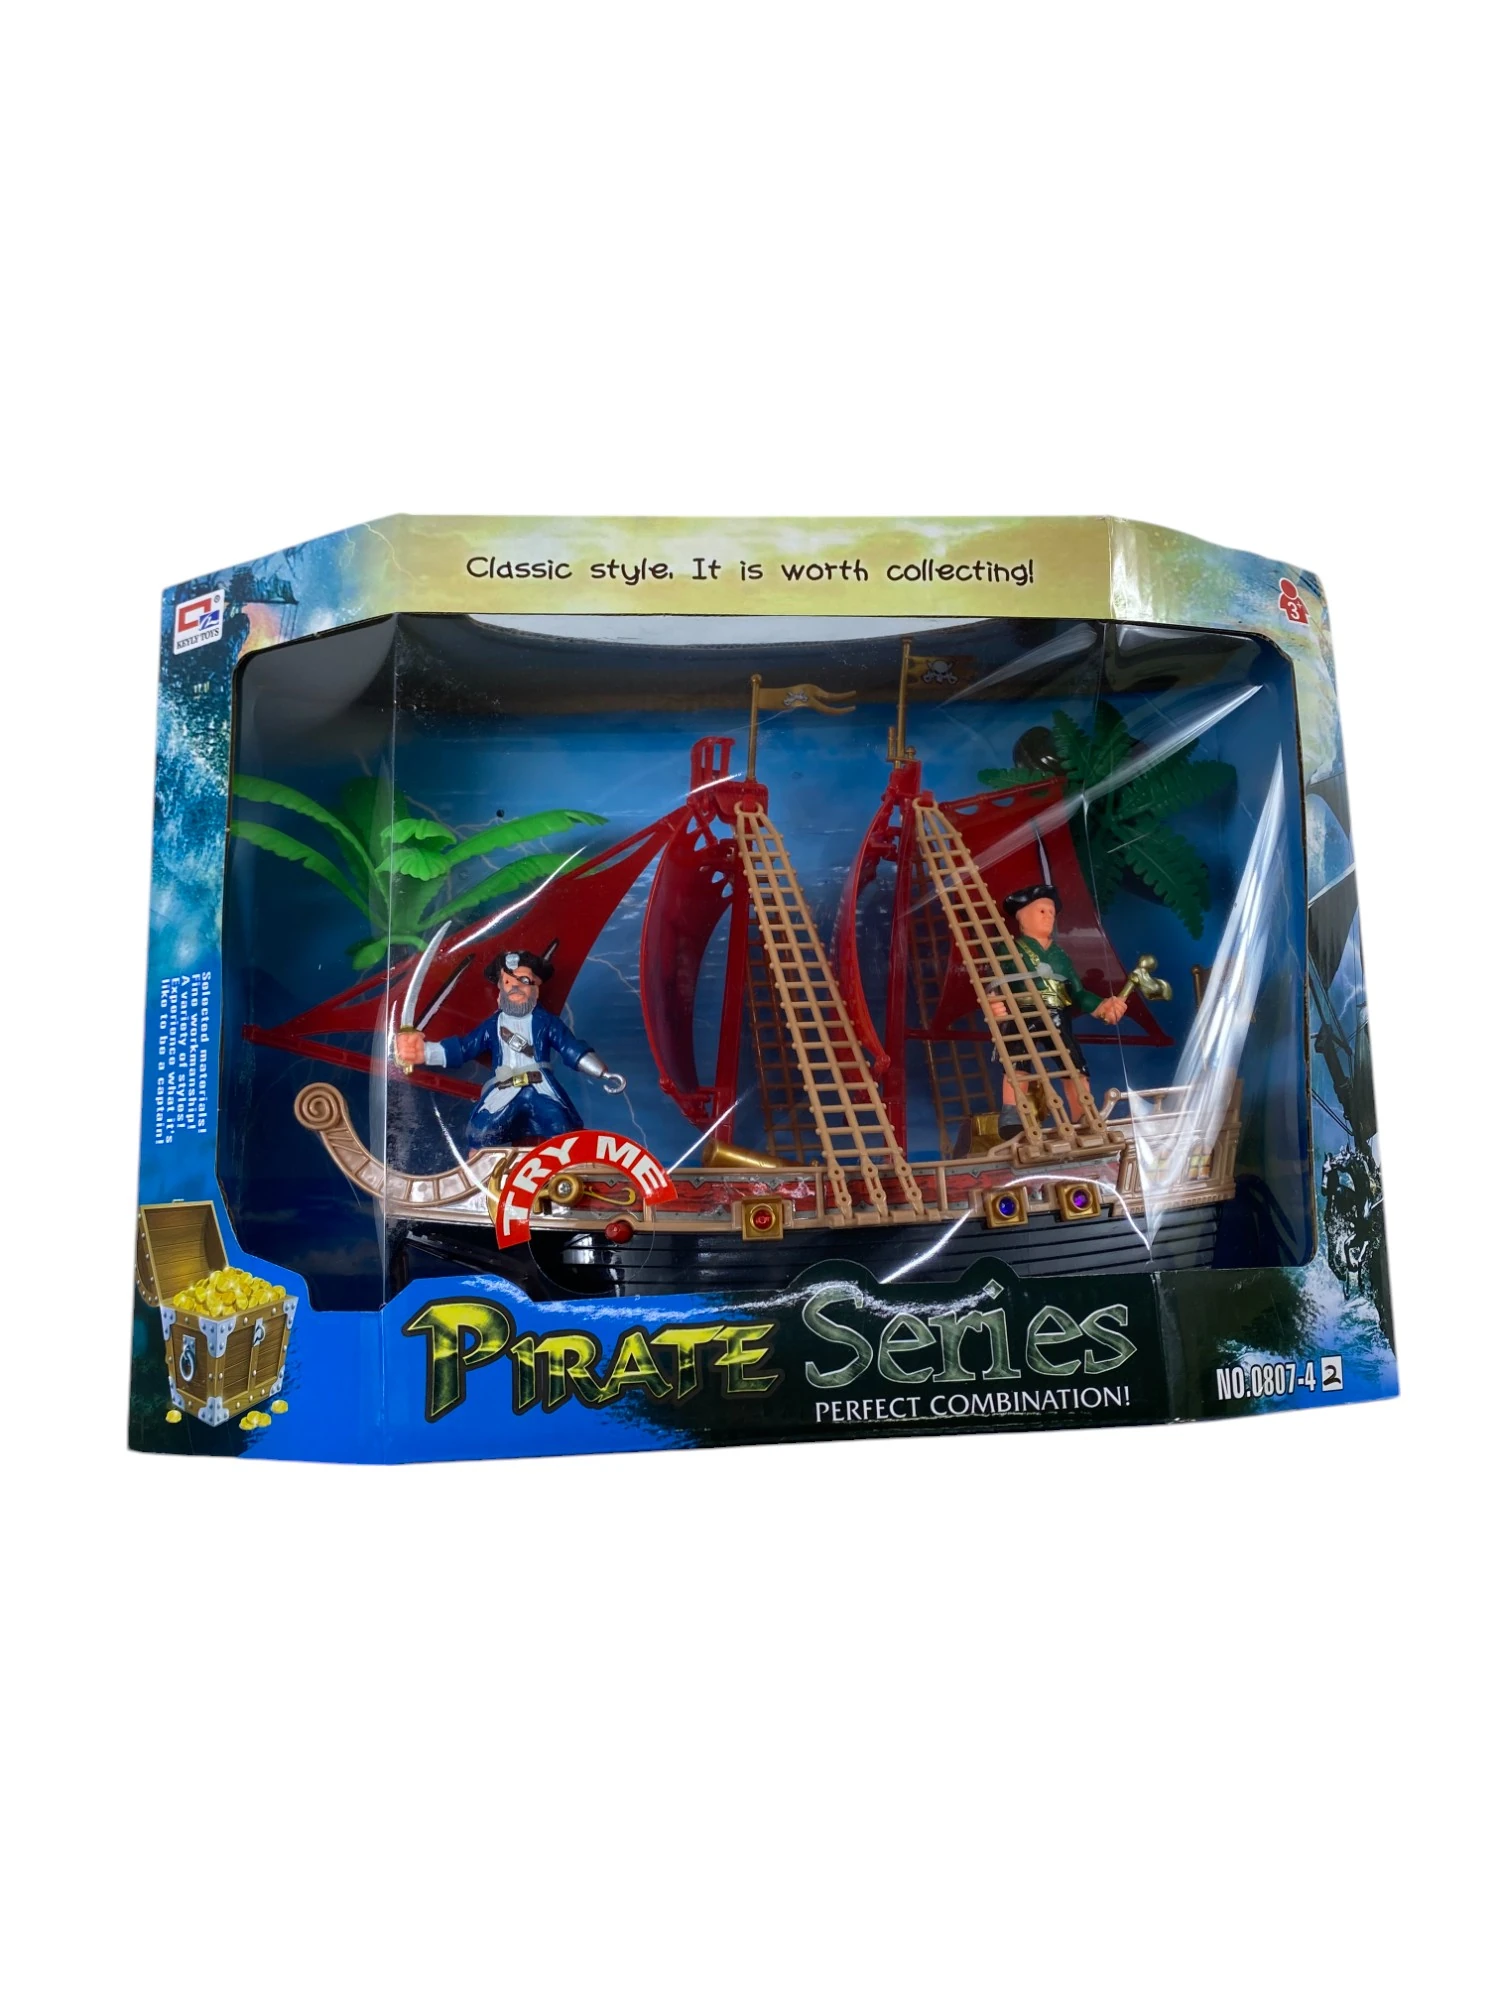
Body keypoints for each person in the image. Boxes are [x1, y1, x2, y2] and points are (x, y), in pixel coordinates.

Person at [394, 947, 625, 1155]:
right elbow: (464, 1048)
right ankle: (481, 1171)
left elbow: (570, 1047)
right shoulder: (492, 1026)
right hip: (504, 1091)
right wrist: (425, 1053)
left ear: (535, 988)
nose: (515, 986)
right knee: (481, 1133)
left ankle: (566, 1166)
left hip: (540, 1088)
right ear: (500, 991)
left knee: (561, 1126)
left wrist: (602, 1072)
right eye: (507, 981)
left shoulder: (546, 1022)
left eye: (523, 980)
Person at [988, 884, 1128, 1125]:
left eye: (1051, 912)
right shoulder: (1009, 950)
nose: (1048, 916)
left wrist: (1101, 1006)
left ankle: (1082, 1112)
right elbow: (994, 980)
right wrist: (994, 1002)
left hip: (1056, 1013)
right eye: (1042, 911)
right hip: (1022, 1012)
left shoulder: (1060, 955)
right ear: (1022, 917)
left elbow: (1078, 992)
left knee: (1074, 1063)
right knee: (1017, 1061)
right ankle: (1012, 1113)